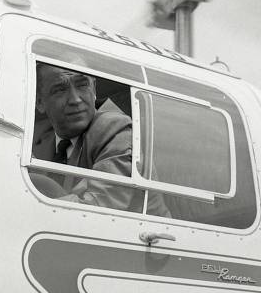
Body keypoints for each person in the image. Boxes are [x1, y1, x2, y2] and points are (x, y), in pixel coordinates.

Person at [32, 63, 169, 216]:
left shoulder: (115, 129)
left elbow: (95, 209)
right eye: (60, 90)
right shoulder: (39, 142)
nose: (75, 100)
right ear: (39, 102)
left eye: (82, 85)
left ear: (94, 89)